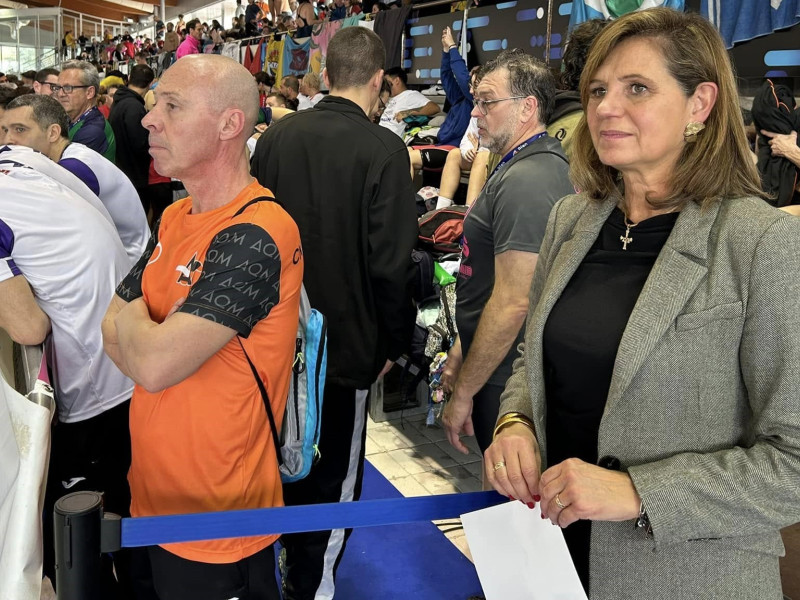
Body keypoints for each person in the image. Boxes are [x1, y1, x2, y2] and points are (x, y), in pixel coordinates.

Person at [482, 8, 800, 598]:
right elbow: (535, 359)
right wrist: (515, 421)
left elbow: (794, 463)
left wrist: (637, 492)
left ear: (700, 105)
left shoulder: (761, 244)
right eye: (598, 89)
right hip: (552, 558)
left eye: (637, 89)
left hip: (687, 577)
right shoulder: (570, 221)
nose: (605, 108)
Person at [102, 54, 302, 600]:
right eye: (153, 104)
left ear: (229, 124)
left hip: (219, 525)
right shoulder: (173, 216)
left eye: (172, 105)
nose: (149, 120)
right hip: (150, 498)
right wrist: (145, 336)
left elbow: (152, 361)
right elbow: (108, 328)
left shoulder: (257, 232)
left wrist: (139, 327)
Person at [251, 26, 417, 600]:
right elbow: (391, 265)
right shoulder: (383, 150)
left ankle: (280, 575)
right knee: (330, 485)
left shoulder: (276, 139)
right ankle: (310, 589)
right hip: (346, 353)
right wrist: (395, 347)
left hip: (273, 345)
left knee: (278, 465)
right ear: (380, 82)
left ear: (324, 75)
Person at [0, 147, 134, 597]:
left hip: (92, 377)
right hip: (127, 339)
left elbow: (27, 325)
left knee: (77, 524)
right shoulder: (18, 159)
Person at [441, 49, 573, 455]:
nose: (475, 113)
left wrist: (465, 391)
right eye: (476, 101)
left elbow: (515, 301)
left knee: (503, 498)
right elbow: (488, 278)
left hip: (505, 376)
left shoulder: (530, 179)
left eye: (486, 101)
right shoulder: (517, 165)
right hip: (493, 365)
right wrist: (462, 349)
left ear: (527, 107)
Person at [2, 95, 149, 265]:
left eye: (20, 129)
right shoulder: (68, 156)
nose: (7, 141)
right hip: (111, 258)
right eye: (5, 130)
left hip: (127, 266)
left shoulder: (74, 168)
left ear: (53, 133)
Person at [407, 27, 473, 178]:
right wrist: (445, 51)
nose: (470, 78)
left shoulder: (476, 101)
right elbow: (447, 76)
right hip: (441, 145)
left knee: (407, 158)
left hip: (454, 150)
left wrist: (453, 47)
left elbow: (463, 78)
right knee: (401, 154)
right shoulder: (460, 99)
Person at [108, 64, 168, 222]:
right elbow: (140, 144)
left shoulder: (120, 102)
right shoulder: (134, 107)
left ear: (129, 79)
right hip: (134, 175)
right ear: (149, 85)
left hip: (123, 170)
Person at [54, 60, 116, 162]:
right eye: (58, 87)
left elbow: (65, 173)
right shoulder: (71, 119)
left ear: (89, 92)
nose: (60, 94)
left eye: (68, 88)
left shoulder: (92, 131)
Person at [379, 67, 439, 139]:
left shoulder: (410, 95)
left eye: (387, 82)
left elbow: (434, 108)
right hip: (379, 136)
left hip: (391, 141)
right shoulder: (387, 97)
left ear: (397, 80)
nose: (385, 85)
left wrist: (407, 112)